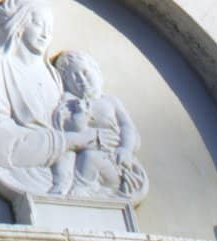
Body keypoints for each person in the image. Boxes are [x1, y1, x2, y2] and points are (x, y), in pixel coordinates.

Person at [0, 0, 99, 201]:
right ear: (17, 24)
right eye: (38, 24)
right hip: (28, 173)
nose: (47, 33)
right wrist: (68, 141)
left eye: (50, 26)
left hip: (69, 171)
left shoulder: (53, 75)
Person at [51, 50, 148, 200]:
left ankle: (82, 189)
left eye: (85, 73)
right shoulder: (70, 105)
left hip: (114, 162)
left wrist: (126, 149)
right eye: (74, 76)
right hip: (84, 159)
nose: (81, 80)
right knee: (70, 156)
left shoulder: (110, 102)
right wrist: (80, 115)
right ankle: (65, 187)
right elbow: (75, 134)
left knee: (90, 156)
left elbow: (127, 127)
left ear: (96, 72)